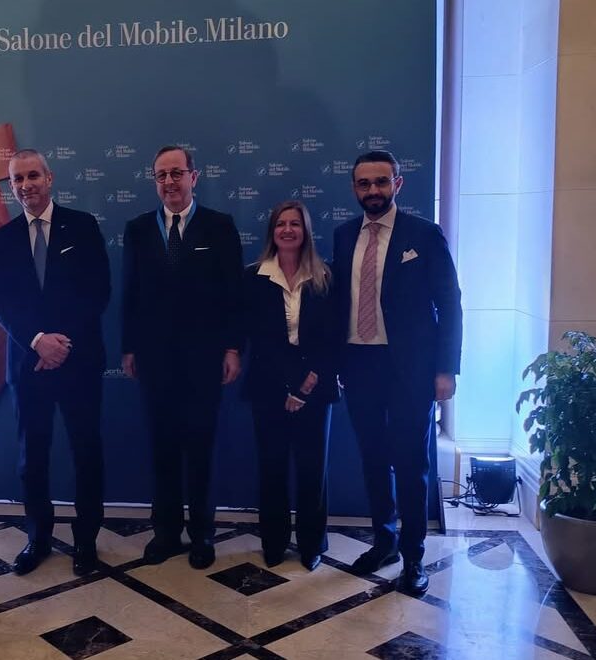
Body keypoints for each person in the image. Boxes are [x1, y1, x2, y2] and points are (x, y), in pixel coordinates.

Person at [332, 150, 462, 595]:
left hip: (411, 369)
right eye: (364, 183)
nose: (373, 190)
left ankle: (413, 557)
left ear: (397, 184)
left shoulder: (424, 234)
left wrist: (446, 369)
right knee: (372, 459)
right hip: (359, 364)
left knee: (411, 463)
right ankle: (384, 541)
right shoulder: (343, 235)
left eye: (381, 182)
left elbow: (450, 303)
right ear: (355, 188)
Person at [0, 149, 111, 576]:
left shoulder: (83, 225)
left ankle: (86, 541)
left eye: (33, 176)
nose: (26, 186)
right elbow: (0, 301)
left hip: (79, 361)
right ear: (12, 186)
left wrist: (60, 344)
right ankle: (37, 538)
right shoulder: (3, 238)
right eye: (18, 179)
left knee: (86, 453)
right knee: (32, 458)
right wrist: (38, 342)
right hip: (28, 365)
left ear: (49, 178)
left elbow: (98, 291)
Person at [121, 145, 243, 570]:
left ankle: (203, 534)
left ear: (194, 176)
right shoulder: (138, 229)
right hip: (155, 360)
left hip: (204, 360)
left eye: (176, 173)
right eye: (161, 175)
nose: (169, 182)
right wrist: (129, 347)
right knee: (162, 448)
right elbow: (130, 294)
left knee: (202, 448)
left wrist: (232, 348)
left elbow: (234, 294)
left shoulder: (219, 226)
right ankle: (166, 533)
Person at [241, 201, 339, 571]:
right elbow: (259, 339)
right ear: (272, 232)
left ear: (306, 230)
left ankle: (312, 544)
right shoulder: (253, 277)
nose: (287, 230)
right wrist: (286, 386)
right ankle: (274, 542)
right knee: (272, 468)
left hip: (316, 385)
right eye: (280, 223)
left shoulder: (325, 277)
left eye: (294, 224)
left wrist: (306, 385)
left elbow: (332, 339)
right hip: (268, 386)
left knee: (313, 470)